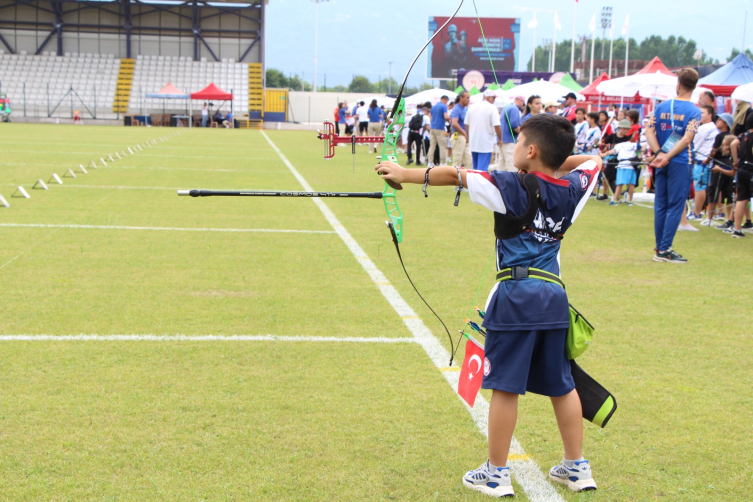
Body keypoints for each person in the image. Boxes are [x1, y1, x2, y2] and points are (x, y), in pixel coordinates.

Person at [374, 114, 603, 498]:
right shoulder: (573, 188)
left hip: (515, 297)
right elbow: (591, 161)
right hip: (554, 298)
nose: (512, 147)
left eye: (520, 143)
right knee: (562, 384)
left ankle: (496, 473)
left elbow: (455, 175)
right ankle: (577, 467)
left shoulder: (510, 185)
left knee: (505, 386)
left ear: (530, 150)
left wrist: (401, 172)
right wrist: (550, 164)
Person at [645, 68, 702, 263]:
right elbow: (687, 139)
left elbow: (649, 131)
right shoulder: (694, 111)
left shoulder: (661, 106)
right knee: (676, 205)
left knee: (660, 204)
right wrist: (667, 155)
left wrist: (659, 154)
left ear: (678, 84)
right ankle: (664, 249)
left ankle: (660, 246)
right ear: (694, 87)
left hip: (661, 161)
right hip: (680, 161)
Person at [703, 113, 735, 227]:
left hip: (718, 164)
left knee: (714, 190)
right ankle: (729, 218)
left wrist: (707, 161)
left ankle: (709, 217)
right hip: (730, 164)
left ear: (725, 123)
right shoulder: (732, 135)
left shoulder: (719, 136)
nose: (717, 121)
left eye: (720, 120)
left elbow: (713, 152)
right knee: (728, 193)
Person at [688, 105, 719, 220]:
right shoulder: (714, 128)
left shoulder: (703, 128)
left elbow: (693, 145)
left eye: (703, 113)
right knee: (707, 187)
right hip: (709, 162)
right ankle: (711, 213)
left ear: (710, 115)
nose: (700, 115)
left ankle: (696, 213)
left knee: (699, 187)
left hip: (702, 161)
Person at [601, 120, 641, 205]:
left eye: (627, 129)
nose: (626, 131)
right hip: (618, 163)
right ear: (619, 128)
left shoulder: (629, 143)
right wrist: (603, 151)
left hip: (624, 165)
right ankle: (626, 200)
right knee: (614, 180)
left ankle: (617, 200)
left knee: (622, 183)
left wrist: (603, 155)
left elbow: (612, 151)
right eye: (624, 129)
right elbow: (606, 146)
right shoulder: (616, 138)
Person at [465, 89, 502, 172]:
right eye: (493, 98)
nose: (494, 100)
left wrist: (467, 136)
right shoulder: (492, 108)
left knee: (475, 167)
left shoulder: (472, 106)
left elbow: (466, 124)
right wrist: (500, 138)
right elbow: (497, 125)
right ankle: (479, 184)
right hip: (486, 142)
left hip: (474, 141)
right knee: (482, 169)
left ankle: (474, 184)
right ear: (488, 97)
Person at [728, 113, 753, 237]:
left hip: (742, 168)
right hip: (751, 169)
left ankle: (737, 229)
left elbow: (733, 144)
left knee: (741, 199)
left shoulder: (744, 135)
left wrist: (735, 161)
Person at [705, 134, 737, 229]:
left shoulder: (733, 158)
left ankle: (712, 217)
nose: (722, 147)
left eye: (724, 145)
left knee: (716, 191)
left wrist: (719, 169)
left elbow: (732, 173)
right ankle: (729, 220)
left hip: (724, 171)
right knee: (728, 195)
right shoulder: (732, 158)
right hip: (726, 170)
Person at [498, 95, 524, 172]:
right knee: (511, 162)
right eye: (523, 103)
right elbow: (514, 125)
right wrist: (523, 134)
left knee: (502, 162)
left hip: (503, 139)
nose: (522, 105)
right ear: (520, 101)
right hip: (510, 140)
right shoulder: (514, 108)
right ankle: (511, 182)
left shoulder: (507, 107)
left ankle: (498, 181)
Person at [451, 91, 472, 168]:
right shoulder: (457, 108)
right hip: (459, 136)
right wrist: (464, 133)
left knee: (469, 160)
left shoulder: (464, 109)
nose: (468, 100)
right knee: (457, 160)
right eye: (467, 98)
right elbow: (454, 123)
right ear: (461, 98)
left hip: (464, 136)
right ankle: (453, 178)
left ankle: (466, 178)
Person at [428, 95, 450, 167]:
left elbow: (430, 116)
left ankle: (430, 162)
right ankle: (442, 162)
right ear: (445, 100)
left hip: (432, 127)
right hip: (440, 128)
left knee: (432, 146)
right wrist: (449, 120)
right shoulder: (444, 106)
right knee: (442, 146)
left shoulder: (433, 107)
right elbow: (446, 116)